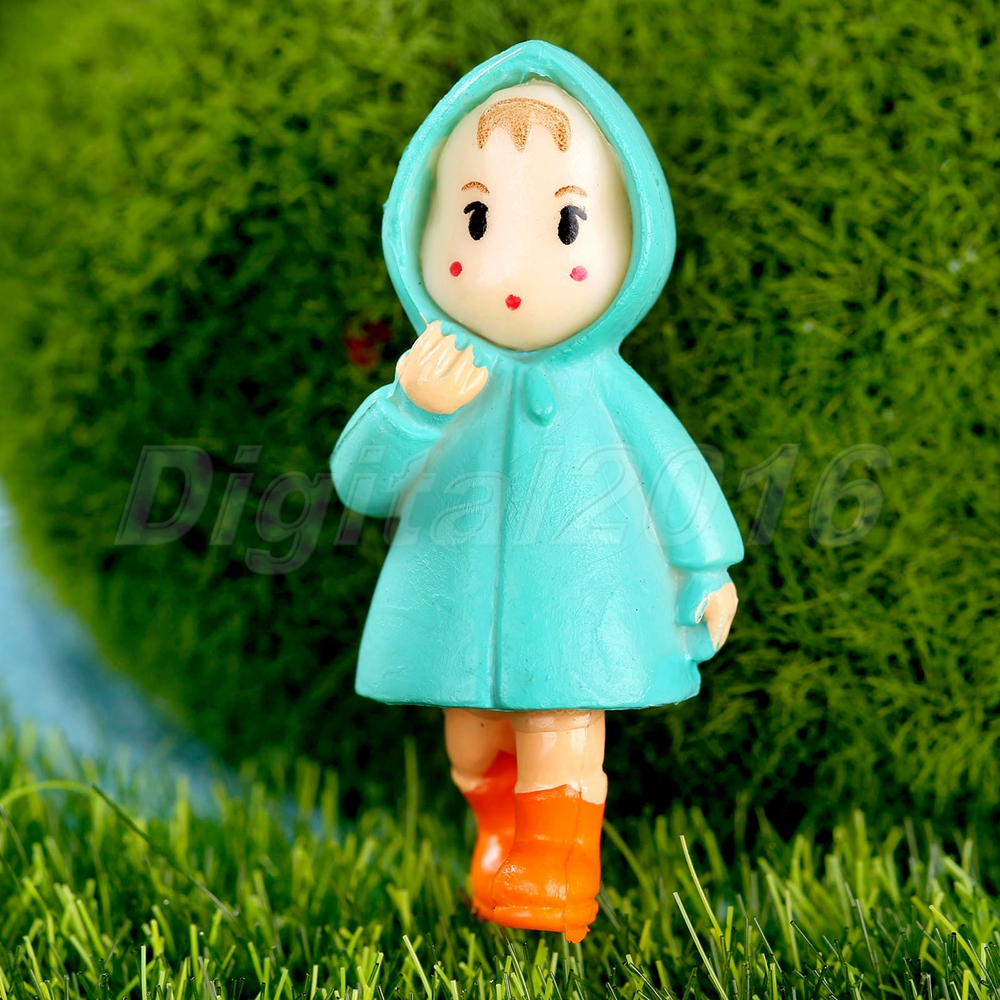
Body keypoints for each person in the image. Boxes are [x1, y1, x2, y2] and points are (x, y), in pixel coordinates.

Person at [331, 41, 743, 942]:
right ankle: (499, 834)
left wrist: (707, 566)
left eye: (566, 225)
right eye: (477, 219)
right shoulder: (437, 377)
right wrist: (411, 411)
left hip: (579, 599)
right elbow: (361, 482)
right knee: (473, 734)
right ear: (422, 226)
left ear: (630, 237)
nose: (513, 273)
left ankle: (558, 861)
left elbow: (671, 467)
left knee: (562, 712)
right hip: (455, 601)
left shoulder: (607, 387)